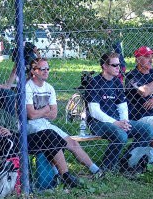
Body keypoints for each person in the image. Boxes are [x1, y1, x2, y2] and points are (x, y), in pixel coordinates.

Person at [25, 57, 103, 186]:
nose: (46, 71)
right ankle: (64, 176)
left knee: (72, 142)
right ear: (34, 71)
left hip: (46, 124)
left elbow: (54, 114)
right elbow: (31, 115)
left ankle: (96, 170)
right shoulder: (28, 87)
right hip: (30, 126)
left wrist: (42, 112)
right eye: (42, 69)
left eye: (48, 69)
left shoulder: (49, 88)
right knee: (53, 141)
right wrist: (45, 109)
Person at [83, 52, 153, 171]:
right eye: (114, 65)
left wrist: (124, 122)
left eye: (119, 65)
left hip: (117, 121)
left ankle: (127, 163)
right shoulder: (94, 83)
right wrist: (115, 123)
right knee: (121, 135)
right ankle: (107, 169)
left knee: (148, 130)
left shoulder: (117, 82)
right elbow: (95, 112)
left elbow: (122, 106)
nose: (119, 68)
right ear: (105, 66)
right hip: (97, 123)